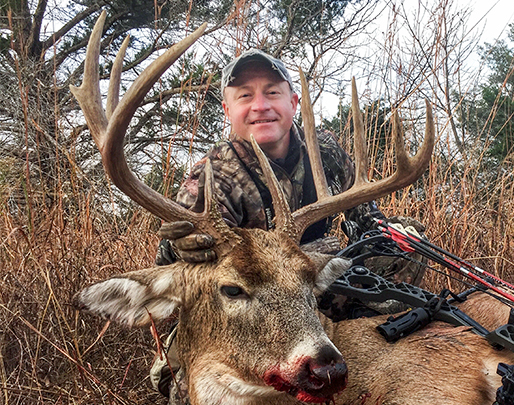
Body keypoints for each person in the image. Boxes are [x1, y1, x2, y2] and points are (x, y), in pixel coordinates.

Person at [150, 49, 426, 403]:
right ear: (227, 110)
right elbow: (175, 281)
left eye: (272, 92)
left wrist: (391, 237)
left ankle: (354, 326)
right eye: (245, 96)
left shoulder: (324, 152)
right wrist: (183, 249)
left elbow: (367, 222)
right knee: (186, 393)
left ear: (293, 102)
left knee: (406, 237)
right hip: (244, 309)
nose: (260, 105)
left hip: (308, 283)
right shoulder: (211, 177)